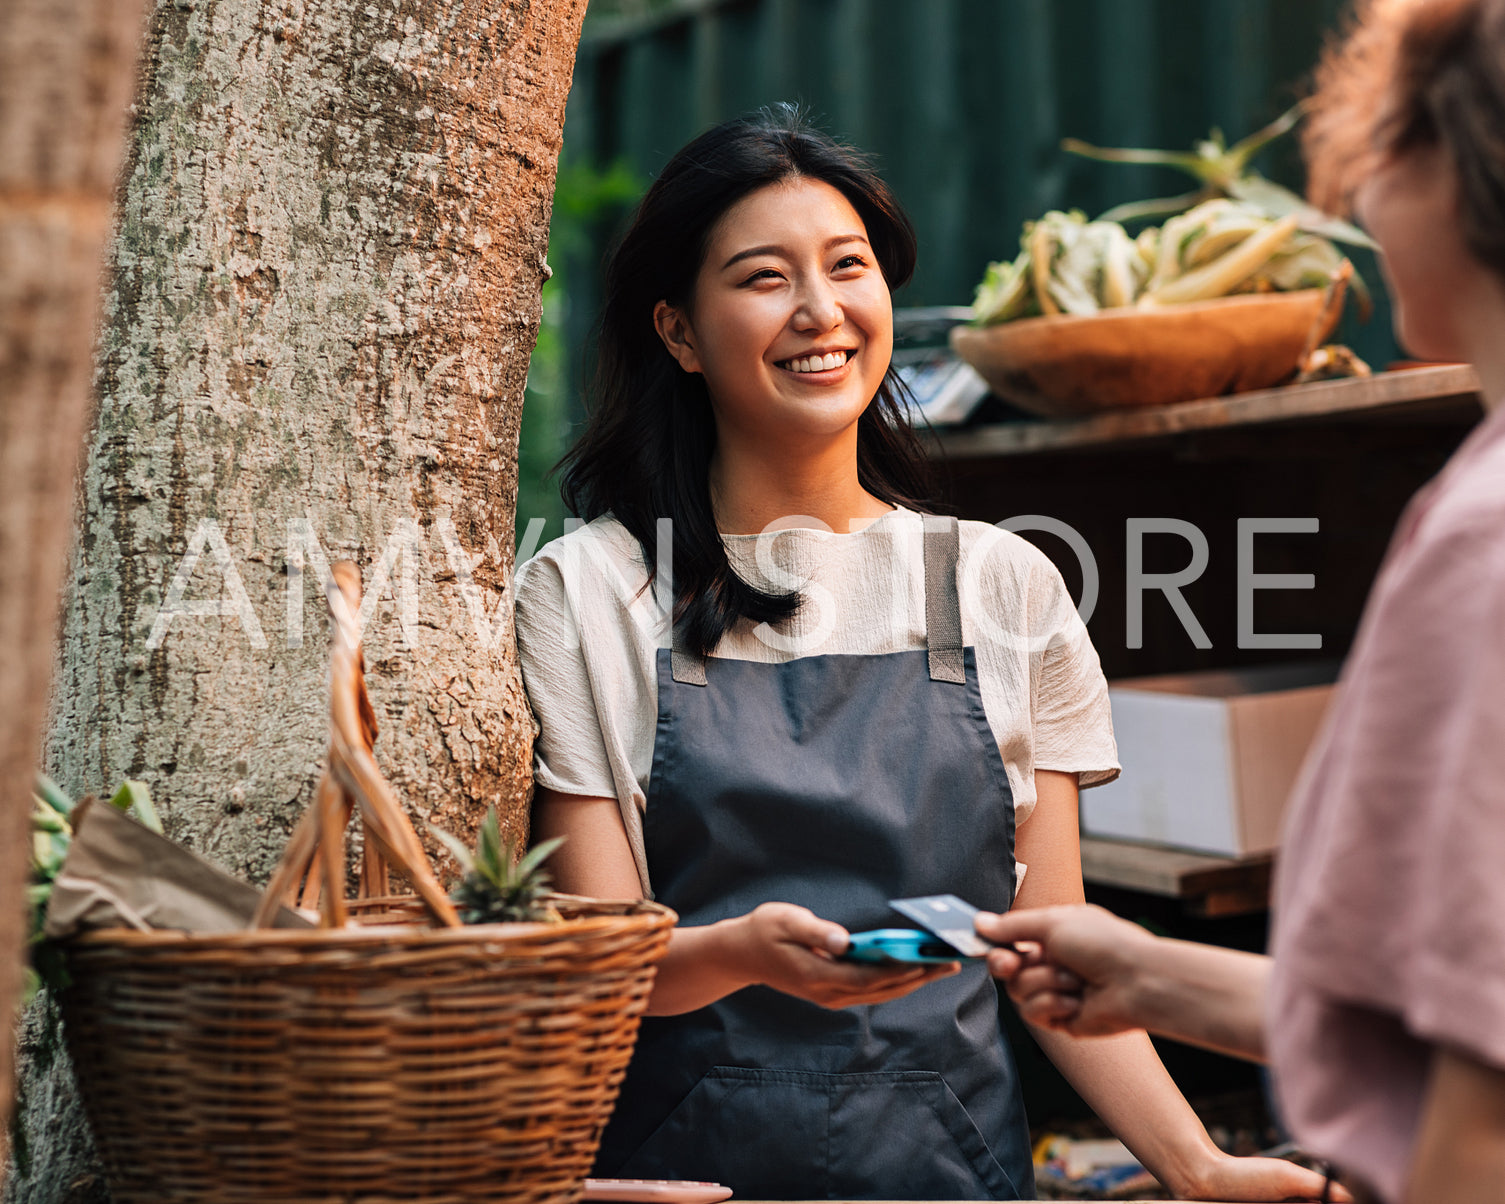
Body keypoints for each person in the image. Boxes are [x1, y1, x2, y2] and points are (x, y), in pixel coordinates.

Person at [513, 104, 1328, 1201]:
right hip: (684, 1181)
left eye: (846, 266)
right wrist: (740, 953)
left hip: (953, 1174)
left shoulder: (1002, 583)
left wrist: (1197, 1167)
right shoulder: (587, 591)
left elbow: (1056, 951)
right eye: (763, 277)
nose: (819, 311)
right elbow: (597, 966)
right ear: (675, 332)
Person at [977, 2, 1505, 1202]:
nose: (1352, 208)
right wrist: (1152, 974)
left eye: (1377, 154)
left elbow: (1478, 1118)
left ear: (1454, 163)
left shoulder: (1483, 541)